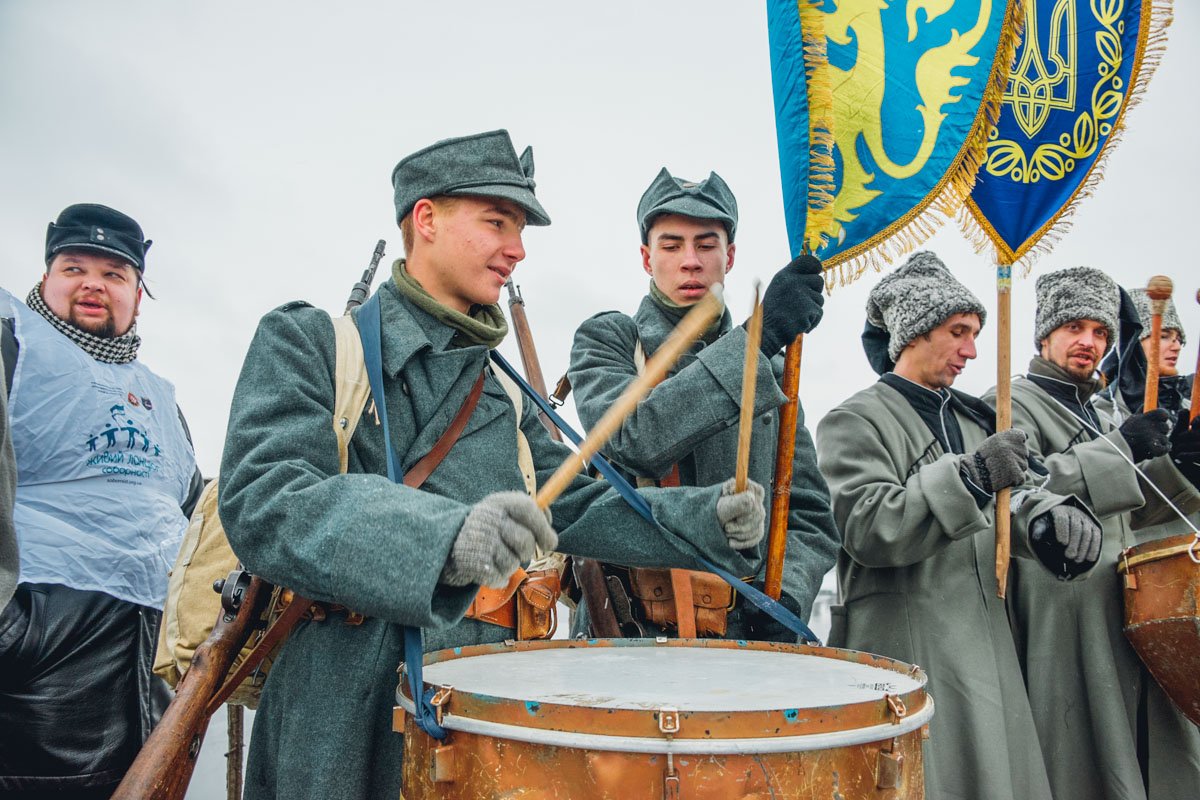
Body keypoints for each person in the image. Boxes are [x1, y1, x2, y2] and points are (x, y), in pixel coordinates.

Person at [217, 130, 770, 800]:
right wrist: (447, 540)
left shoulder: (502, 387)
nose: (518, 248)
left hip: (490, 707)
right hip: (341, 712)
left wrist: (705, 519)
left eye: (520, 230)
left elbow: (571, 504)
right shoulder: (310, 342)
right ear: (426, 219)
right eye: (497, 223)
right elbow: (268, 499)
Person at [816, 251, 1102, 800]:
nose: (971, 351)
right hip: (905, 656)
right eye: (958, 332)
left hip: (989, 647)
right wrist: (971, 477)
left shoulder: (978, 423)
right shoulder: (853, 420)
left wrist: (1052, 521)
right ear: (913, 332)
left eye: (974, 334)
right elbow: (868, 527)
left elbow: (1014, 504)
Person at [565, 167, 837, 640]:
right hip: (627, 638)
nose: (690, 262)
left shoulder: (773, 369)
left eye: (706, 245)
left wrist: (788, 595)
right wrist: (756, 341)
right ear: (647, 257)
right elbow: (632, 438)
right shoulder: (608, 339)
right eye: (671, 246)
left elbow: (809, 514)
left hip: (743, 638)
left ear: (729, 256)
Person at [0, 204, 203, 798]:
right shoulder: (13, 347)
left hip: (146, 660)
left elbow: (191, 513)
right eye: (74, 268)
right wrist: (12, 630)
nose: (93, 284)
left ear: (138, 296)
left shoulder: (159, 397)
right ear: (46, 278)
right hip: (42, 647)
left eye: (114, 274)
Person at [993, 266, 1200, 800]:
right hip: (1060, 613)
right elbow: (1021, 493)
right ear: (1044, 334)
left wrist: (1181, 470)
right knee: (1079, 762)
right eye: (1075, 327)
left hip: (1121, 606)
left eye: (1101, 332)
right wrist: (1121, 448)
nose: (1089, 342)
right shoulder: (1010, 402)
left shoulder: (1096, 411)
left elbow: (1129, 509)